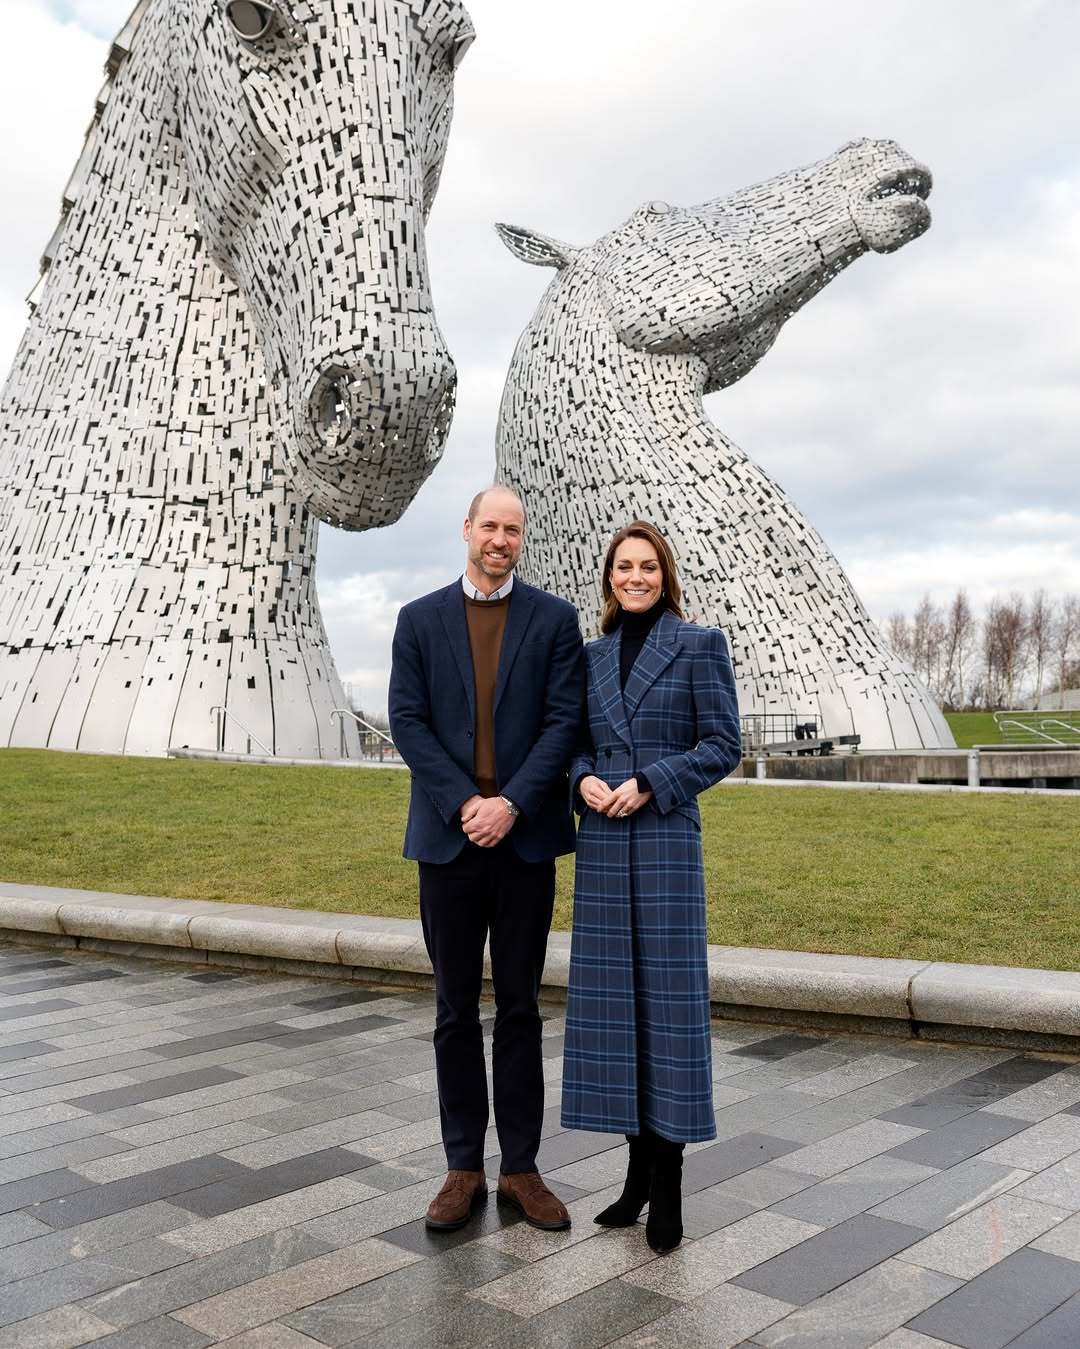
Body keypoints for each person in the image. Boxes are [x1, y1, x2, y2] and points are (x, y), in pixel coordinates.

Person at [389, 485, 585, 1233]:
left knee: (521, 1007)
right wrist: (465, 802)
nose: (500, 539)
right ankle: (462, 1165)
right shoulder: (418, 621)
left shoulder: (555, 621)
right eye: (490, 526)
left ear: (520, 539)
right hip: (447, 841)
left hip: (524, 840)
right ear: (466, 529)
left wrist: (512, 803)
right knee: (452, 1009)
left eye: (513, 530)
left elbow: (564, 722)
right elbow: (407, 720)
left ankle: (523, 1169)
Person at [563, 520, 742, 1253]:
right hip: (604, 843)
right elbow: (571, 743)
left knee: (665, 1011)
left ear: (665, 574)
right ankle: (634, 1175)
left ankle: (666, 1184)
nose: (634, 577)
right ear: (609, 577)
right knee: (616, 1010)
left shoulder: (701, 645)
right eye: (623, 567)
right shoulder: (589, 656)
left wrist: (651, 781)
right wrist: (584, 782)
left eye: (647, 566)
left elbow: (724, 743)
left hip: (666, 841)